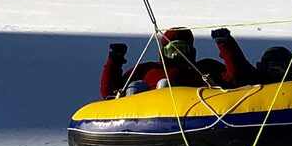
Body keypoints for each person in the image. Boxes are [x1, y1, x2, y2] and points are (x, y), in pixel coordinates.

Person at [99, 27, 242, 99]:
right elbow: (109, 93)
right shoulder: (147, 70)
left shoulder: (204, 68)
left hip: (191, 114)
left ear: (189, 51)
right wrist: (114, 60)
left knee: (165, 85)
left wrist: (226, 45)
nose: (175, 54)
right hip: (145, 117)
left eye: (180, 49)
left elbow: (236, 78)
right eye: (171, 49)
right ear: (163, 52)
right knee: (137, 86)